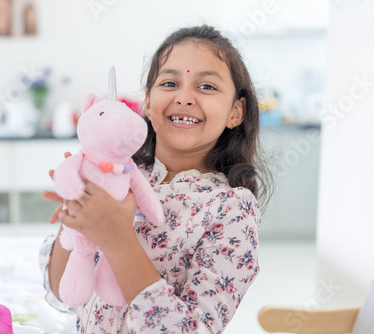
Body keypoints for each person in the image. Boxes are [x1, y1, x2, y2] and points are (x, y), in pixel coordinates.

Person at [39, 24, 272, 334]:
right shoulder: (117, 176)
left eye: (206, 87)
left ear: (236, 111)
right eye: (170, 82)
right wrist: (77, 210)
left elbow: (193, 329)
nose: (185, 97)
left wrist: (117, 240)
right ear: (147, 103)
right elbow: (61, 289)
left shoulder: (232, 210)